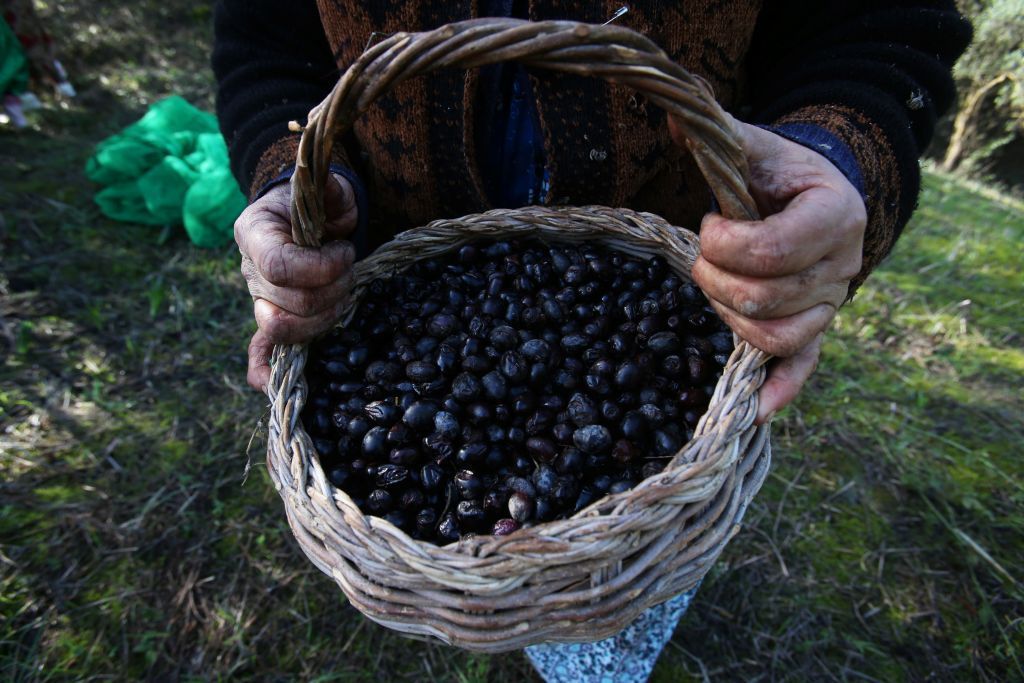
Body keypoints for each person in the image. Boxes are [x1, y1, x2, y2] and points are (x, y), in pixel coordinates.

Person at [214, 2, 969, 680]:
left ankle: (594, 660)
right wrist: (292, 176)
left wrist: (838, 155)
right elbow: (265, 36)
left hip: (687, 263)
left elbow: (883, 24)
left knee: (618, 598)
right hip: (400, 254)